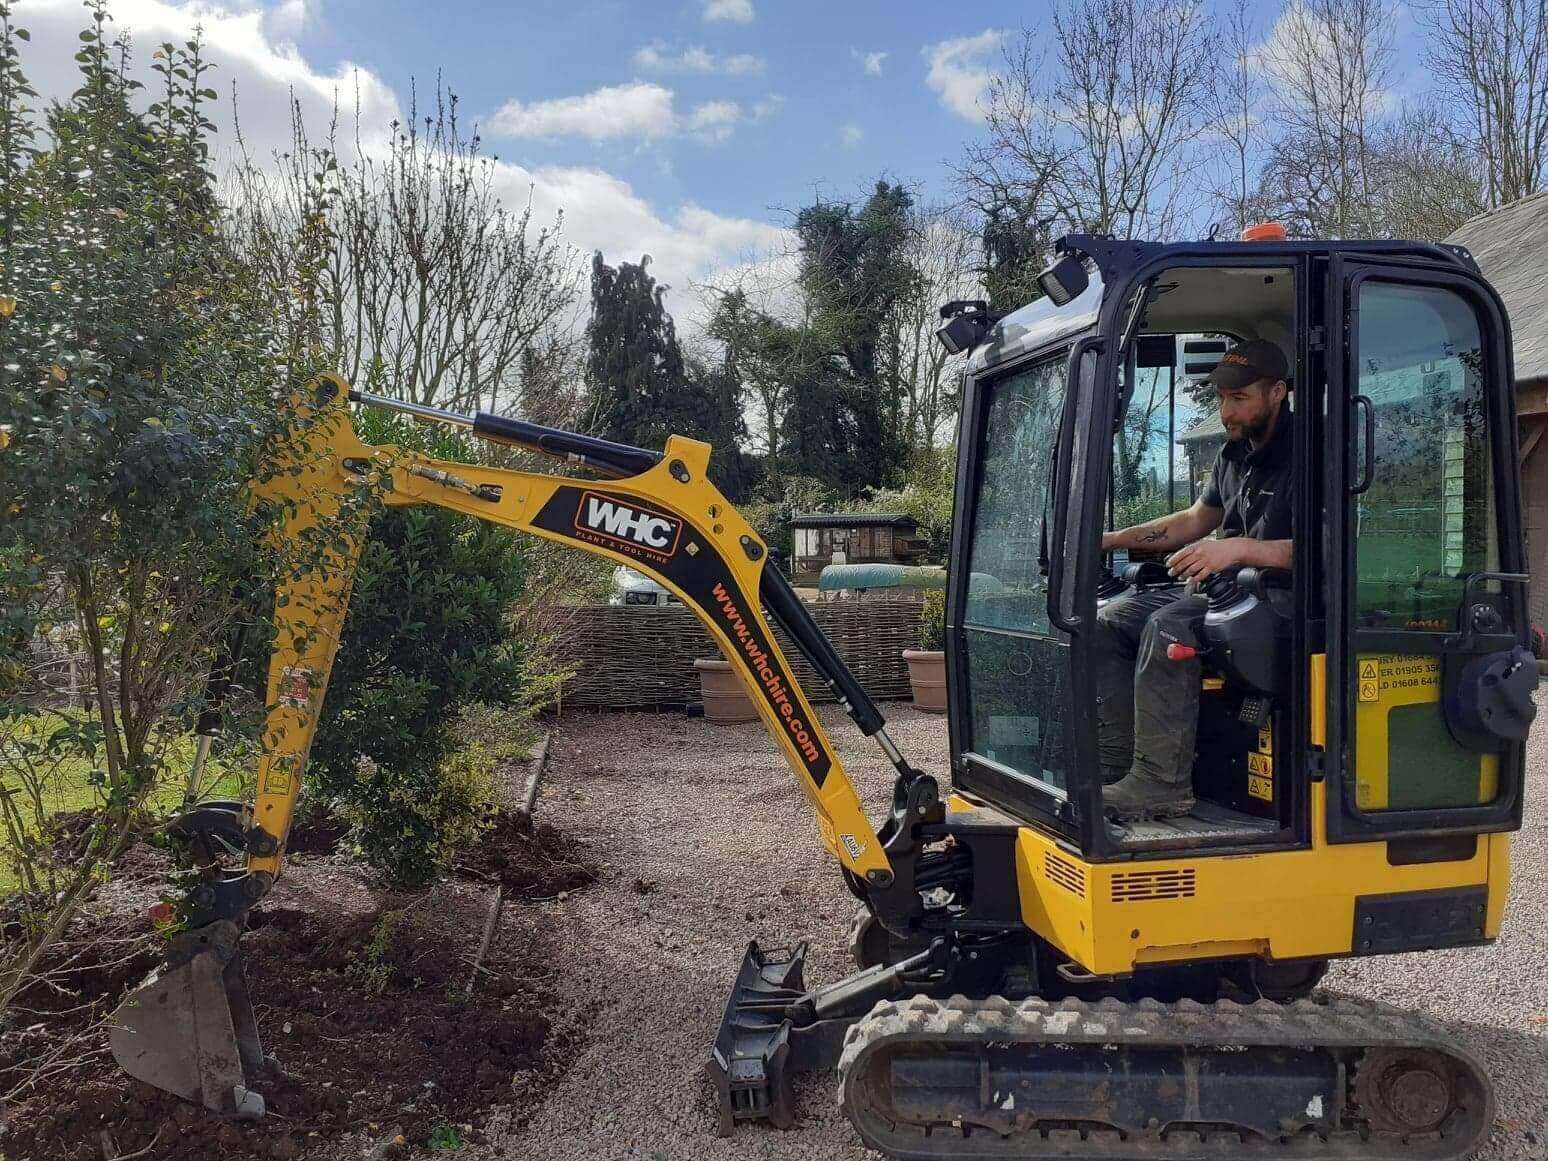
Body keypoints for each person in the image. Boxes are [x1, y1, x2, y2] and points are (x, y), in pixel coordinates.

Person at [1096, 338, 1294, 822]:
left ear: (1277, 393)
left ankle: (1161, 784)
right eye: (1222, 398)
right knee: (1110, 621)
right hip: (1227, 592)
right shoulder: (1233, 454)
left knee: (1169, 628)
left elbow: (1328, 549)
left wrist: (1236, 548)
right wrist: (1109, 539)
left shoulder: (1313, 453)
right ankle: (1117, 766)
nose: (1226, 411)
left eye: (1239, 398)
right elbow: (1193, 520)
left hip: (1286, 597)